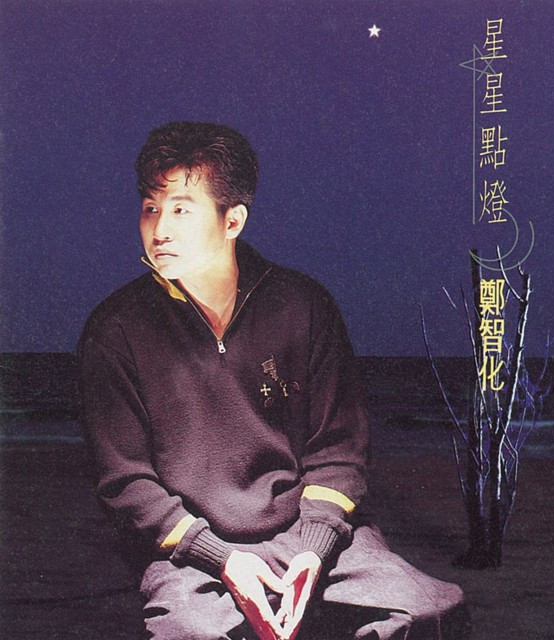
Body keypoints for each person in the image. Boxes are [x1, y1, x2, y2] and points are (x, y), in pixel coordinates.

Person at [77, 121, 470, 640]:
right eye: (151, 208)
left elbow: (338, 451)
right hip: (192, 552)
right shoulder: (115, 329)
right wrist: (222, 559)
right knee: (189, 634)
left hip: (307, 533)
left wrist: (314, 548)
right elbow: (124, 482)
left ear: (233, 220)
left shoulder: (302, 306)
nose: (160, 229)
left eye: (181, 210)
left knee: (430, 609)